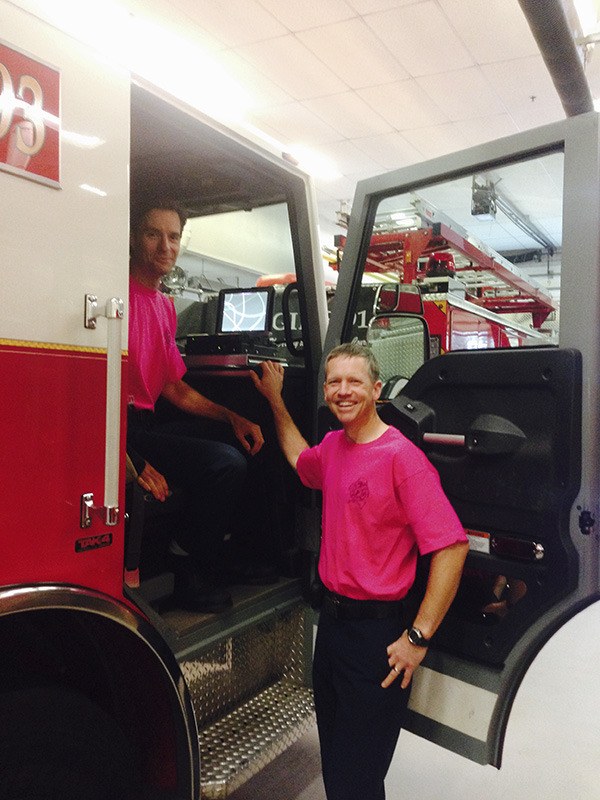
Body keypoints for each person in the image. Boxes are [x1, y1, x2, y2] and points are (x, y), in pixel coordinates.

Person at [251, 342, 469, 800]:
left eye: (354, 382)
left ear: (376, 390)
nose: (343, 391)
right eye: (334, 382)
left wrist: (417, 638)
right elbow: (297, 458)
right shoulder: (332, 448)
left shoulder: (401, 459)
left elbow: (451, 546)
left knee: (357, 780)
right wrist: (274, 399)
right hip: (331, 630)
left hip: (378, 641)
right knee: (338, 770)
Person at [127, 199, 273, 613]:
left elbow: (174, 388)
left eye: (173, 236)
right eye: (153, 234)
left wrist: (234, 417)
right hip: (125, 432)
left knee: (249, 440)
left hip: (148, 424)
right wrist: (132, 459)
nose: (164, 246)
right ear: (134, 239)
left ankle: (232, 554)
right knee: (224, 463)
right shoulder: (115, 295)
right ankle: (187, 567)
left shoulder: (164, 306)